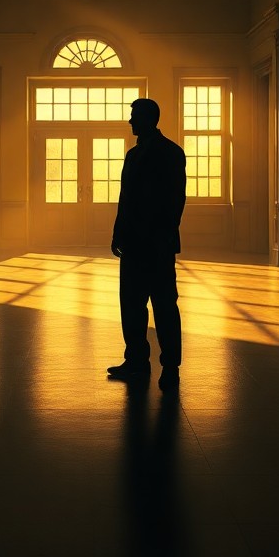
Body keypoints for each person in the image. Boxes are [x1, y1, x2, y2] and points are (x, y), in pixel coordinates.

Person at [107, 98, 186, 390]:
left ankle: (169, 366)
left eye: (133, 116)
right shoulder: (138, 154)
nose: (130, 121)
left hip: (154, 244)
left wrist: (163, 237)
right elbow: (125, 198)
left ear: (148, 118)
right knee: (132, 305)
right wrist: (119, 233)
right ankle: (139, 361)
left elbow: (175, 200)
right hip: (137, 243)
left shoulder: (168, 153)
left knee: (163, 306)